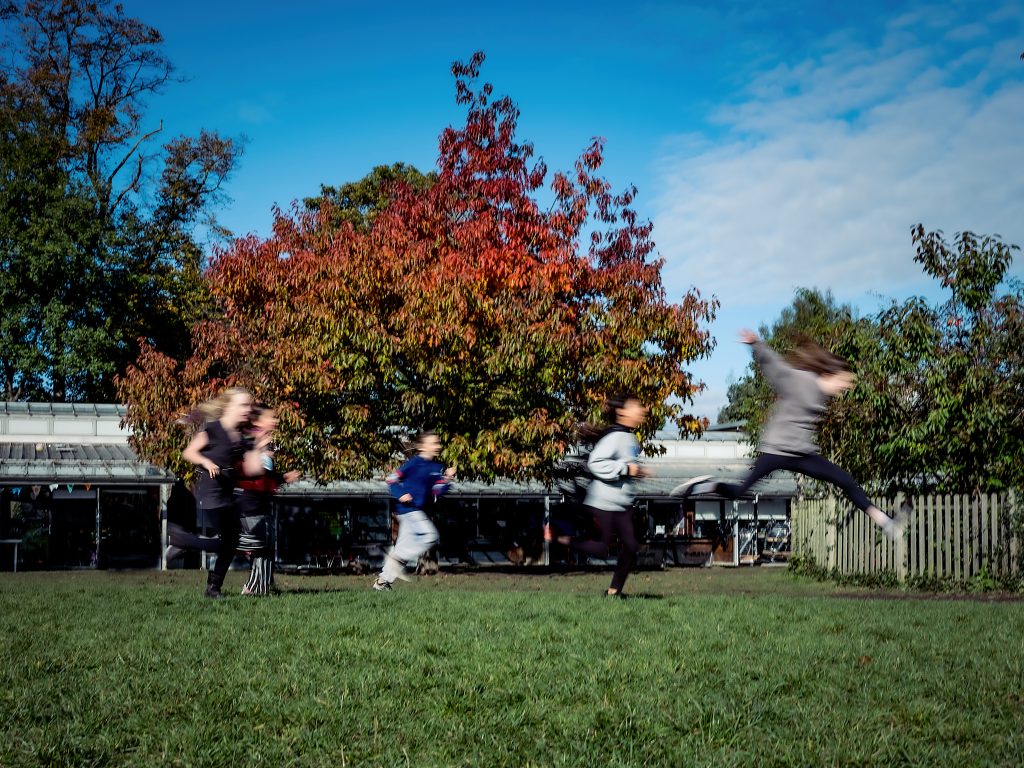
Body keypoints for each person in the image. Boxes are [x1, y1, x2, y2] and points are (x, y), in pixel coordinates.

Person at [674, 330, 905, 540]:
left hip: (802, 453)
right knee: (741, 493)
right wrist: (757, 345)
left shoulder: (823, 395)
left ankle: (886, 522)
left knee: (846, 481)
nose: (844, 388)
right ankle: (707, 486)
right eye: (843, 382)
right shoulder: (802, 381)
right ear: (829, 374)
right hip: (775, 449)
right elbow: (778, 369)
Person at [550, 394, 652, 598]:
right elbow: (595, 462)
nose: (642, 411)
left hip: (622, 503)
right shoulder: (615, 437)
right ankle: (559, 539)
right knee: (601, 548)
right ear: (621, 412)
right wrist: (625, 469)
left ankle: (614, 592)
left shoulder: (630, 437)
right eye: (636, 407)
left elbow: (625, 466)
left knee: (631, 546)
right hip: (603, 502)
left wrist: (637, 471)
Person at [182, 387, 253, 598]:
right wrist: (206, 461)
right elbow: (189, 452)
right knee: (228, 540)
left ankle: (213, 588)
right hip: (211, 495)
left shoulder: (240, 437)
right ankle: (187, 543)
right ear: (229, 406)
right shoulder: (212, 430)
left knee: (231, 541)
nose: (247, 409)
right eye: (243, 405)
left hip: (229, 495)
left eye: (249, 405)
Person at [373, 431, 455, 591]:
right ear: (423, 447)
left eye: (438, 443)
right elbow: (391, 480)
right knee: (431, 536)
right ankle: (398, 557)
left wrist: (447, 479)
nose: (437, 446)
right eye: (433, 443)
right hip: (408, 510)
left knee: (402, 547)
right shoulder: (413, 463)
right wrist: (401, 493)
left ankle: (381, 582)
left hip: (418, 511)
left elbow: (437, 490)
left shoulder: (436, 467)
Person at [235, 404, 300, 596]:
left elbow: (264, 475)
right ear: (257, 421)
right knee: (259, 545)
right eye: (270, 417)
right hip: (249, 502)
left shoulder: (265, 441)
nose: (275, 421)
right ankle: (253, 588)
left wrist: (281, 478)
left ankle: (256, 588)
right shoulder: (249, 439)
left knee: (265, 547)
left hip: (261, 502)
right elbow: (250, 472)